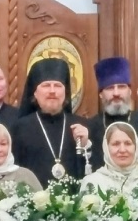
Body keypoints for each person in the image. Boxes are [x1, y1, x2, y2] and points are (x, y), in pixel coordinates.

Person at [12, 58, 90, 186]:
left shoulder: (82, 126)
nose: (52, 91)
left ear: (65, 92)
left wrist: (86, 145)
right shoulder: (19, 128)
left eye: (58, 86)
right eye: (46, 85)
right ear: (35, 93)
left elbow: (92, 171)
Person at [85, 57, 138, 171]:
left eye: (121, 87)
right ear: (101, 94)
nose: (116, 93)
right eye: (110, 88)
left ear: (129, 91)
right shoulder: (89, 128)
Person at [80, 122, 138, 195]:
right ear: (106, 148)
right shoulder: (92, 182)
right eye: (116, 144)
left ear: (136, 147)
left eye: (128, 143)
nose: (122, 150)